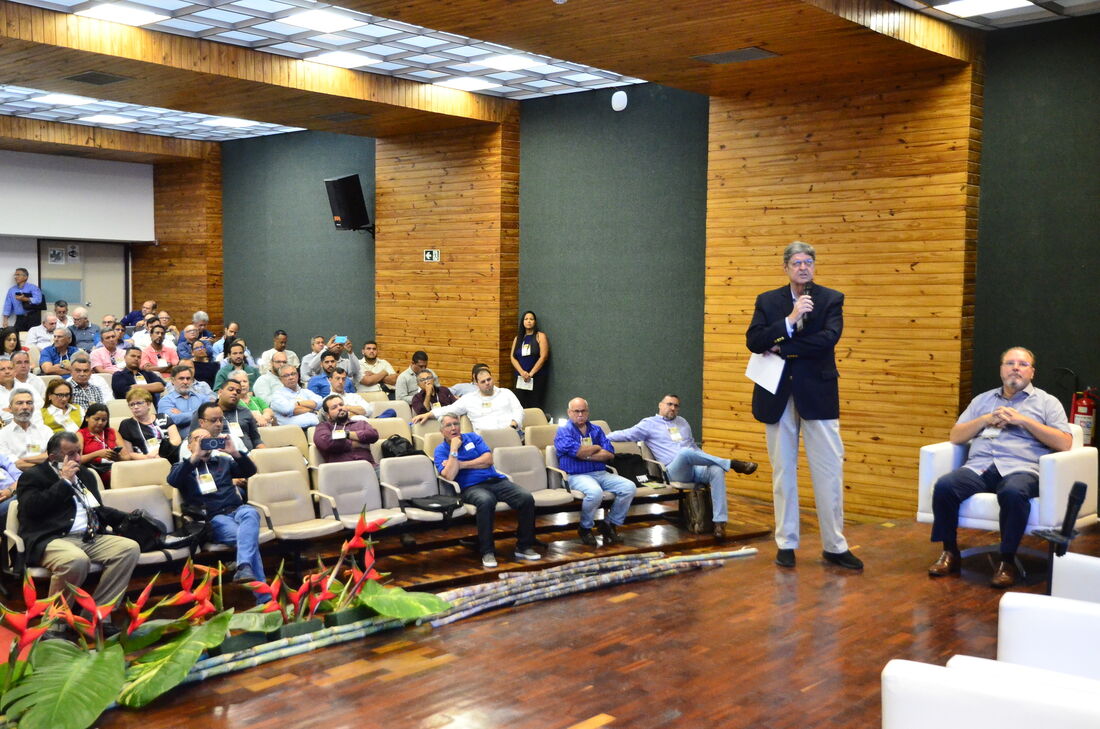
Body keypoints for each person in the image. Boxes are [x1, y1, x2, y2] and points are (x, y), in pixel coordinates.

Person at [745, 241, 861, 570]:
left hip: (819, 395)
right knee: (783, 472)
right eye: (797, 263)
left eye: (808, 262)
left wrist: (785, 346)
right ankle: (786, 543)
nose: (803, 267)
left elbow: (828, 338)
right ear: (786, 267)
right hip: (776, 394)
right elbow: (754, 340)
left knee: (829, 471)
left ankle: (835, 545)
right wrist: (789, 320)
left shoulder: (830, 298)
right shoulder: (768, 301)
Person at [927, 347, 1071, 588]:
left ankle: (1007, 561)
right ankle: (950, 552)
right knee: (944, 486)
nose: (1016, 367)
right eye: (1010, 363)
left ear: (1032, 373)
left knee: (1013, 492)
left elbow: (1065, 443)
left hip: (1022, 468)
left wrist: (1023, 421)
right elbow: (956, 435)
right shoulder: (982, 400)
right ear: (1001, 370)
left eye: (1023, 364)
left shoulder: (1047, 402)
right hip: (980, 467)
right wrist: (984, 420)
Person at [17, 432, 139, 610]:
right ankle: (55, 622)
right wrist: (65, 482)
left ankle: (98, 614)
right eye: (71, 454)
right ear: (53, 457)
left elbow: (97, 508)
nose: (78, 458)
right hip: (52, 538)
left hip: (88, 536)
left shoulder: (86, 475)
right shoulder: (33, 476)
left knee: (129, 549)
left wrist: (128, 516)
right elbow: (32, 509)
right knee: (75, 560)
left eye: (79, 452)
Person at [609, 394, 756, 541]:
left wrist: (707, 461)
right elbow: (626, 434)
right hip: (673, 470)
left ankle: (719, 523)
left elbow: (694, 448)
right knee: (685, 453)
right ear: (660, 405)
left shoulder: (683, 423)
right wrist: (603, 437)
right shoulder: (649, 424)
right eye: (669, 404)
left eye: (676, 405)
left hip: (694, 467)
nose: (672, 408)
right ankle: (731, 464)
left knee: (716, 470)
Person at [433, 413, 541, 569]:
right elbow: (449, 475)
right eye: (448, 425)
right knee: (486, 501)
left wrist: (460, 464)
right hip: (470, 487)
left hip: (495, 480)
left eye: (456, 424)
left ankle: (524, 546)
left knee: (526, 498)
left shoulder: (473, 438)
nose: (453, 428)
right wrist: (454, 449)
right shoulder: (441, 450)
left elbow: (488, 460)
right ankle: (487, 551)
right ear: (441, 431)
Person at [168, 418, 267, 587]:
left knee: (251, 512)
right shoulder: (183, 467)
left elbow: (250, 471)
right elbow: (173, 481)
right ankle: (262, 595)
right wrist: (195, 457)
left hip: (237, 509)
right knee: (246, 538)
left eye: (207, 439)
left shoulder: (223, 461)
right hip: (214, 518)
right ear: (189, 445)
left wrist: (235, 453)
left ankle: (244, 567)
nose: (205, 443)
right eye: (199, 440)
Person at [555, 398, 636, 546]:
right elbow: (578, 452)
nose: (580, 414)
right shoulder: (563, 431)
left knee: (629, 487)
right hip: (576, 475)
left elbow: (610, 453)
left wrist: (586, 453)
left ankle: (609, 524)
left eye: (583, 411)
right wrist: (596, 447)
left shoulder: (596, 430)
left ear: (588, 412)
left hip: (601, 473)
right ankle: (585, 528)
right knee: (595, 493)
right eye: (576, 411)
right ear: (569, 413)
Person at [412, 367, 523, 434]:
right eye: (483, 381)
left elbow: (519, 410)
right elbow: (450, 409)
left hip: (509, 433)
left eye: (489, 379)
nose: (487, 383)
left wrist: (513, 425)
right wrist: (429, 414)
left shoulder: (506, 393)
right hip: (485, 438)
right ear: (477, 384)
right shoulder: (469, 399)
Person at [185, 378, 265, 454]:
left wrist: (265, 454)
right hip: (217, 456)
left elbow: (256, 440)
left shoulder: (245, 412)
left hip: (246, 456)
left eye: (238, 391)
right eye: (231, 389)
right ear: (220, 392)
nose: (235, 393)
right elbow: (192, 439)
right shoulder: (205, 411)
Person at [313, 394, 378, 465]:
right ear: (328, 415)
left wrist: (347, 434)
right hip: (342, 470)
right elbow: (326, 443)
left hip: (369, 466)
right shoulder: (323, 426)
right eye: (334, 407)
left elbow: (373, 435)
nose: (340, 408)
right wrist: (355, 444)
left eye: (341, 404)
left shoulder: (361, 423)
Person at [117, 388, 179, 461]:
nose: (135, 407)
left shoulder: (163, 417)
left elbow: (176, 440)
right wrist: (148, 457)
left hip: (169, 456)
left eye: (139, 403)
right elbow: (129, 453)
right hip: (145, 461)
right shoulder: (126, 424)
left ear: (149, 404)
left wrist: (160, 451)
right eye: (132, 404)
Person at [0, 389, 52, 470]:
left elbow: (53, 456)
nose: (25, 407)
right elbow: (14, 465)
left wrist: (23, 460)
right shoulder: (3, 435)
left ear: (34, 407)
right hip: (18, 478)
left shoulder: (45, 431)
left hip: (46, 477)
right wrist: (43, 463)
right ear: (10, 408)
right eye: (19, 403)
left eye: (29, 403)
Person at [510, 310, 551, 409]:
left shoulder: (540, 336)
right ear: (523, 322)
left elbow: (544, 356)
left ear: (535, 322)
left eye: (531, 319)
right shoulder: (518, 338)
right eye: (526, 319)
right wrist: (522, 372)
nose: (529, 321)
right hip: (521, 377)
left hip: (537, 377)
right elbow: (512, 357)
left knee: (534, 404)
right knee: (519, 405)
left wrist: (531, 373)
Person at [157, 365, 211, 439]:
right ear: (172, 381)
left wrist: (182, 414)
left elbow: (211, 415)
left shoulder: (202, 398)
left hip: (206, 438)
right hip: (181, 443)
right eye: (181, 378)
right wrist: (201, 414)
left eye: (188, 379)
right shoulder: (165, 401)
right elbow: (171, 420)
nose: (185, 382)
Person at [77, 403, 121, 487]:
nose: (100, 423)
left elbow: (127, 457)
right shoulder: (80, 434)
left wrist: (116, 457)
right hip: (94, 471)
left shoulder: (112, 432)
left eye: (104, 420)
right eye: (96, 419)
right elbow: (77, 460)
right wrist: (97, 454)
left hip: (114, 467)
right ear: (87, 418)